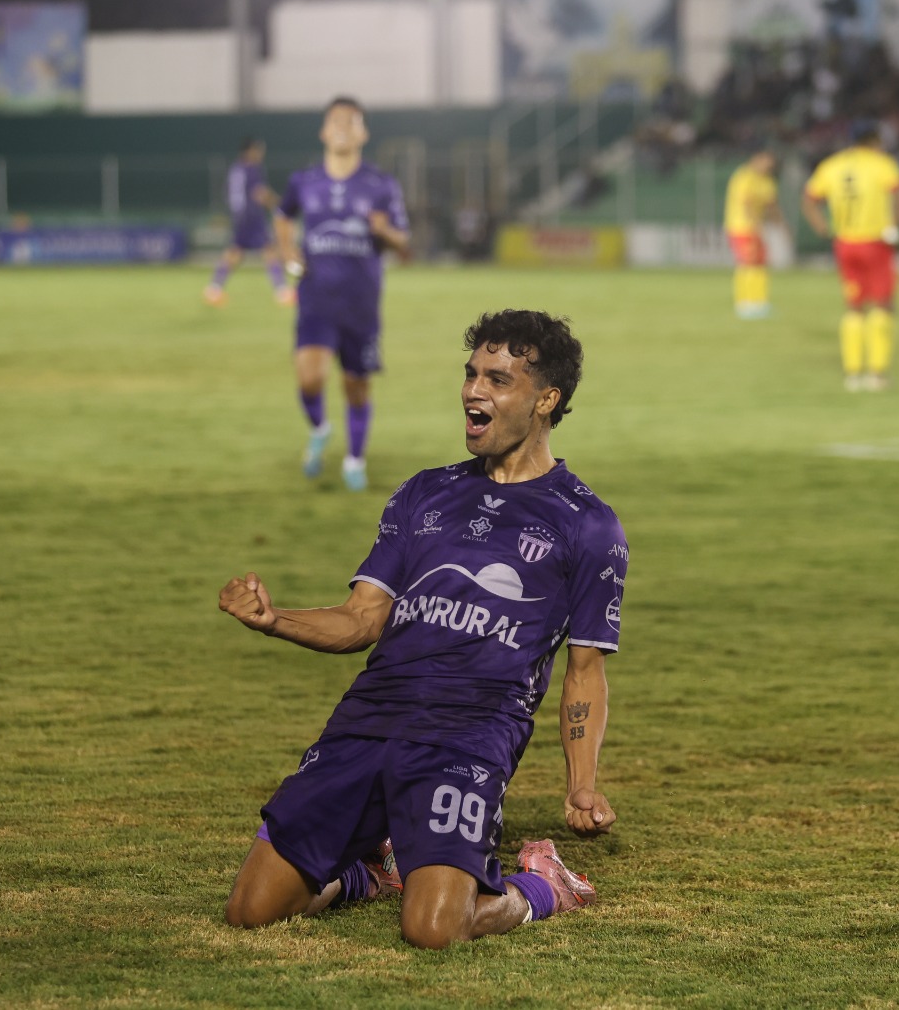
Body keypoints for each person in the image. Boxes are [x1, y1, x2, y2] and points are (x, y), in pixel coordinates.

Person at [218, 309, 626, 949]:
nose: (473, 390)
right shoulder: (423, 495)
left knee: (434, 930)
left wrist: (580, 784)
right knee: (250, 912)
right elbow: (360, 621)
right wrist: (275, 621)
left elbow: (585, 671)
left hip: (468, 734)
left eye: (498, 378)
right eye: (470, 375)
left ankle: (545, 885)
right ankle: (370, 875)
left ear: (546, 399)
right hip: (370, 717)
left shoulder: (587, 524)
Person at [276, 96, 411, 492]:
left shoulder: (380, 184)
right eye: (335, 121)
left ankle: (354, 460)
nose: (342, 127)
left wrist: (384, 230)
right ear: (323, 130)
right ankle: (320, 428)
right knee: (310, 379)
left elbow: (403, 238)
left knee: (356, 385)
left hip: (361, 304)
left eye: (351, 122)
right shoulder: (304, 181)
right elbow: (283, 216)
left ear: (363, 133)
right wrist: (288, 253)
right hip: (315, 299)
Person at [801, 122, 899, 392]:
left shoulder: (831, 165)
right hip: (875, 241)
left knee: (853, 307)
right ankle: (877, 373)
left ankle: (852, 374)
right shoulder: (881, 163)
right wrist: (893, 225)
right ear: (874, 140)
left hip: (844, 243)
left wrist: (822, 227)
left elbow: (809, 198)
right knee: (882, 305)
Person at [204, 138, 292, 307]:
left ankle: (214, 288)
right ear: (251, 151)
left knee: (235, 252)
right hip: (252, 216)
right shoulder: (252, 168)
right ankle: (282, 291)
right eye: (259, 150)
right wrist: (280, 204)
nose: (260, 154)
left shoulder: (235, 169)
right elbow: (259, 192)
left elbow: (228, 194)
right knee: (269, 250)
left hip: (239, 217)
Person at [722, 149, 783, 320]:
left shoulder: (766, 180)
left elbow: (771, 204)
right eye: (767, 163)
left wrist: (780, 224)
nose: (768, 167)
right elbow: (746, 203)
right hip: (741, 227)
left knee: (761, 263)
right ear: (757, 159)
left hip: (756, 228)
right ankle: (744, 303)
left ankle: (759, 302)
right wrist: (754, 224)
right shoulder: (744, 176)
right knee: (747, 262)